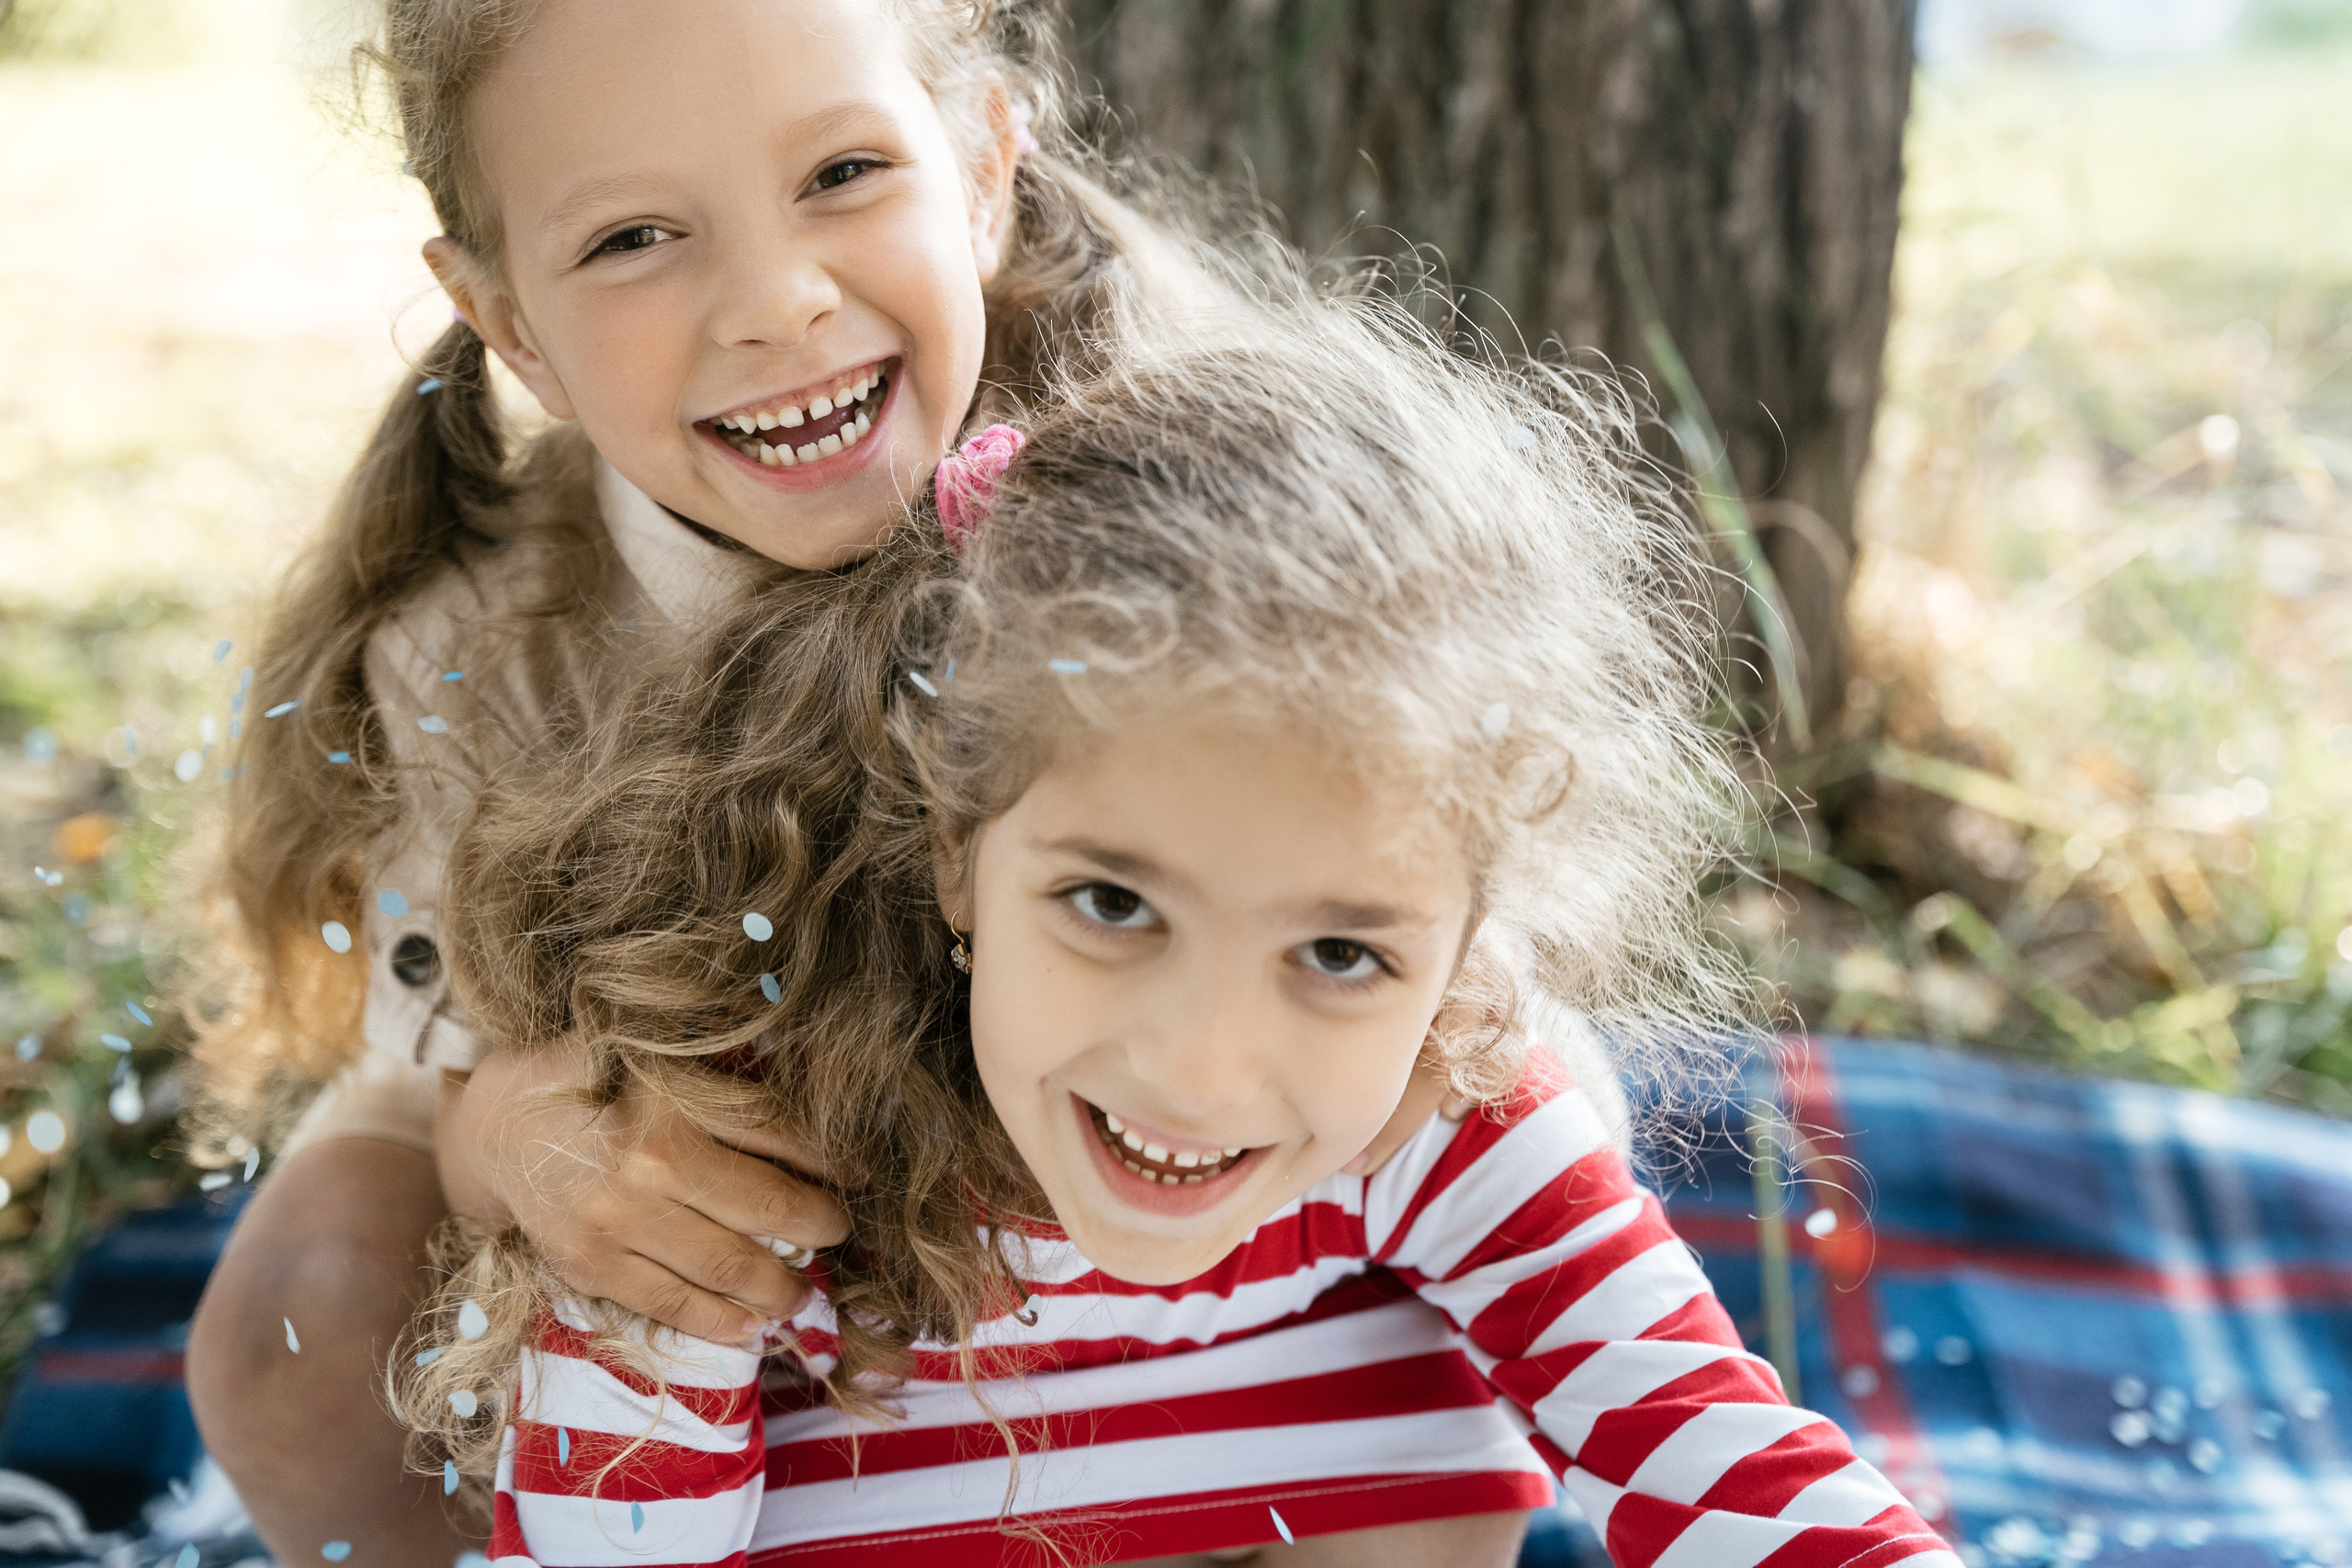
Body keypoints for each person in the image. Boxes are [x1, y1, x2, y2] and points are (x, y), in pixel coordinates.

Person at [407, 307, 1956, 1566]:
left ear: (1469, 939)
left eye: (1343, 954)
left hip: (1283, 1480)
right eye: (1113, 905)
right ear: (957, 852)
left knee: (1436, 1426)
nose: (1201, 1072)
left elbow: (1720, 1457)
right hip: (883, 1501)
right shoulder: (746, 1119)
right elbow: (610, 1547)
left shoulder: (1451, 1101)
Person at [178, 3, 1231, 1563]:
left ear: (988, 166)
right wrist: (531, 1140)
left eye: (846, 172)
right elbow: (449, 1079)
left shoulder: (1208, 502)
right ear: (508, 323)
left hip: (1145, 1144)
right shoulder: (483, 646)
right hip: (711, 1211)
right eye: (633, 238)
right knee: (299, 1313)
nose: (774, 304)